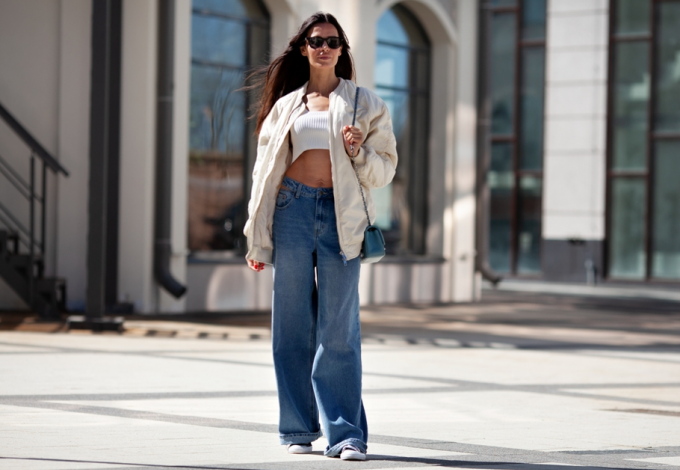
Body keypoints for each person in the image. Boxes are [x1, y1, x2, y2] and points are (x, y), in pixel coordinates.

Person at [243, 11, 398, 461]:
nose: (324, 47)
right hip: (290, 211)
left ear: (342, 50)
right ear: (304, 48)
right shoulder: (286, 106)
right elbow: (263, 174)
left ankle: (346, 434)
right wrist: (258, 236)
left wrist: (358, 149)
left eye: (333, 41)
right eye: (316, 40)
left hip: (341, 217)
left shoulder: (366, 103)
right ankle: (296, 428)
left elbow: (385, 168)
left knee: (339, 331)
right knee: (290, 325)